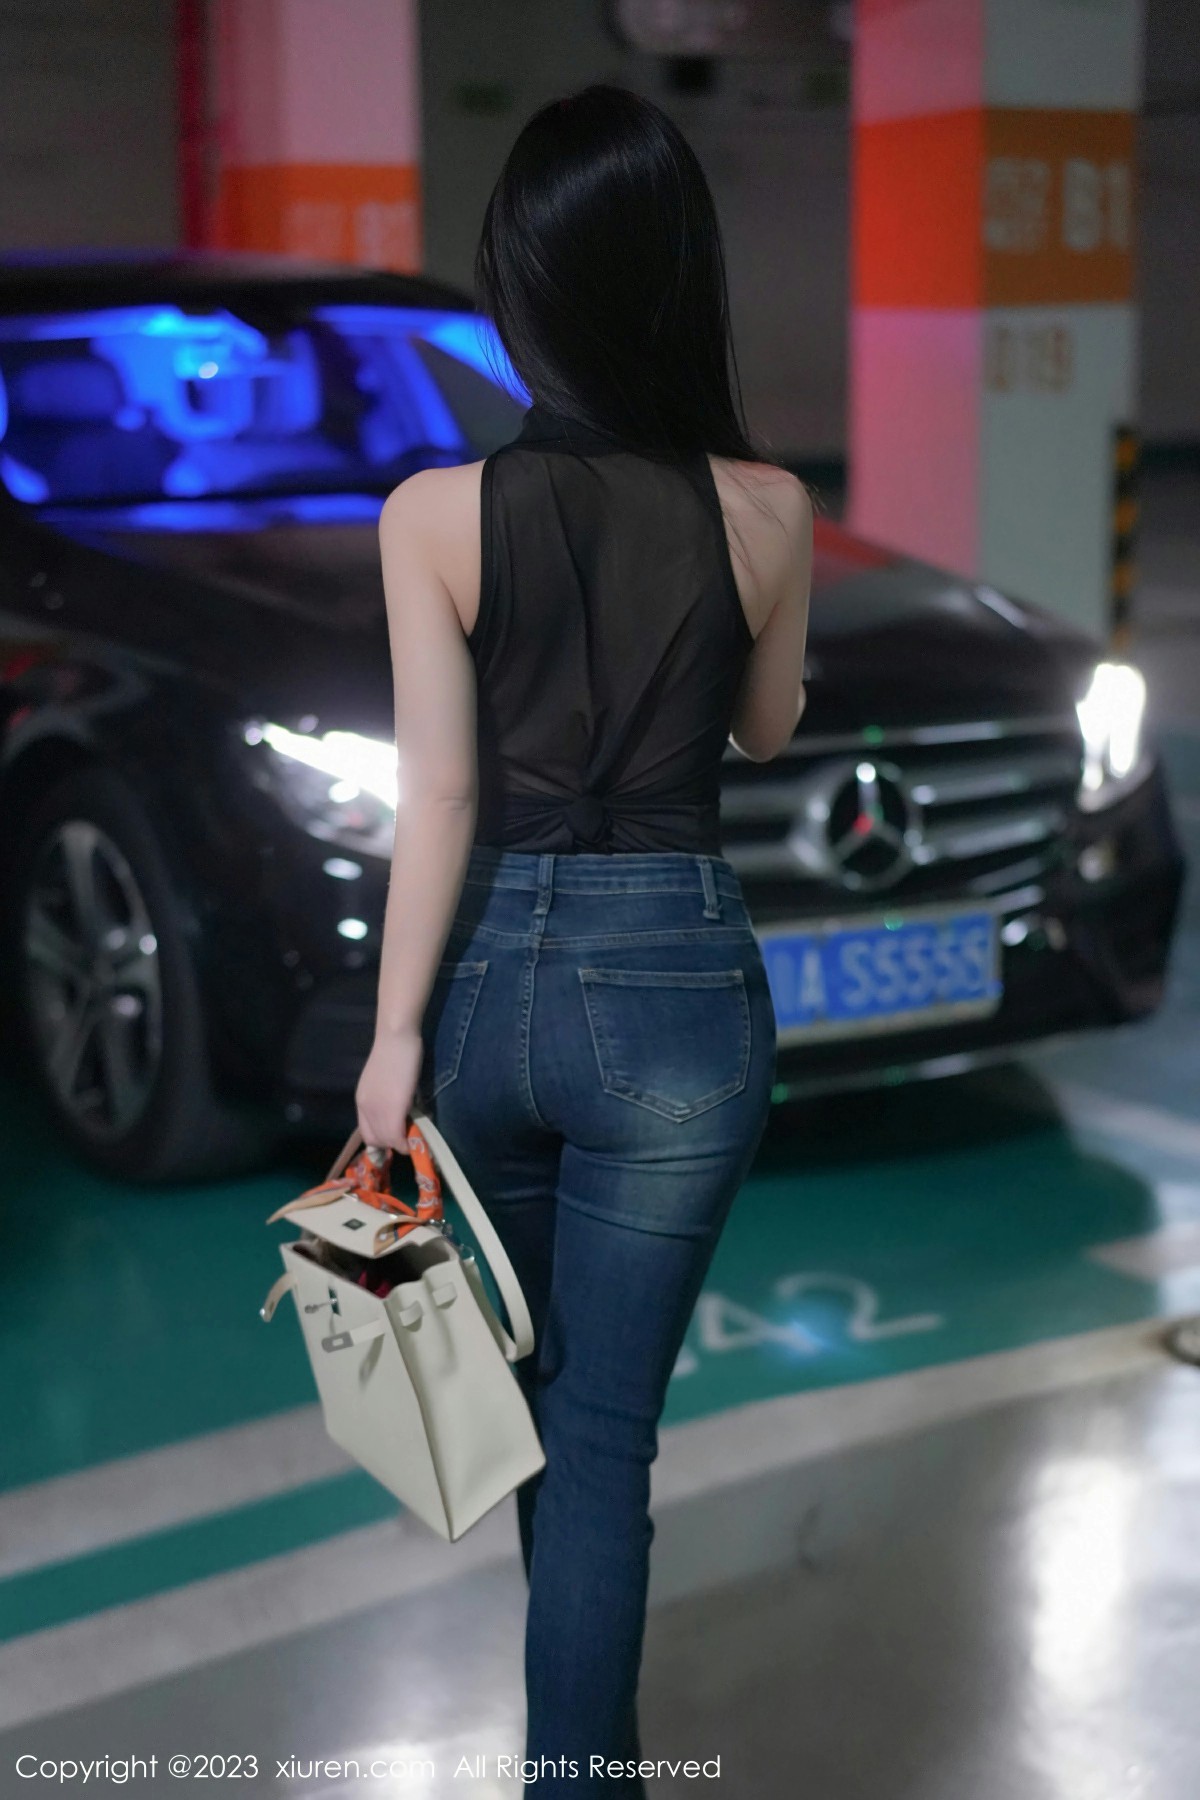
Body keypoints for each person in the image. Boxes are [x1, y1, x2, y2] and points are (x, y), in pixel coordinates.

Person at [354, 82, 812, 1795]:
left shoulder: (430, 513)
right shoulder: (765, 507)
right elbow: (765, 730)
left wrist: (394, 1042)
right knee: (607, 1437)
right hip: (682, 989)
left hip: (492, 999)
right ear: (681, 281)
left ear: (520, 284)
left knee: (546, 1423)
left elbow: (442, 795)